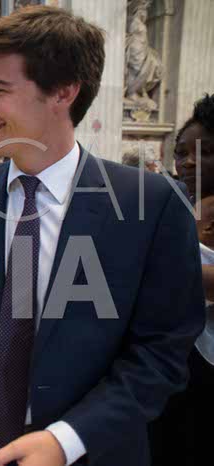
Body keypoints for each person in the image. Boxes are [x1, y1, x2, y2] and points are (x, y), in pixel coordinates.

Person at [0, 7, 204, 466]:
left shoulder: (149, 205)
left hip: (91, 450)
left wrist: (66, 439)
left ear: (63, 91)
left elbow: (161, 352)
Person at [150, 93, 214, 466]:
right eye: (181, 152)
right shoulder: (174, 205)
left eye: (205, 152)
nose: (188, 161)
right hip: (169, 363)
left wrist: (156, 266)